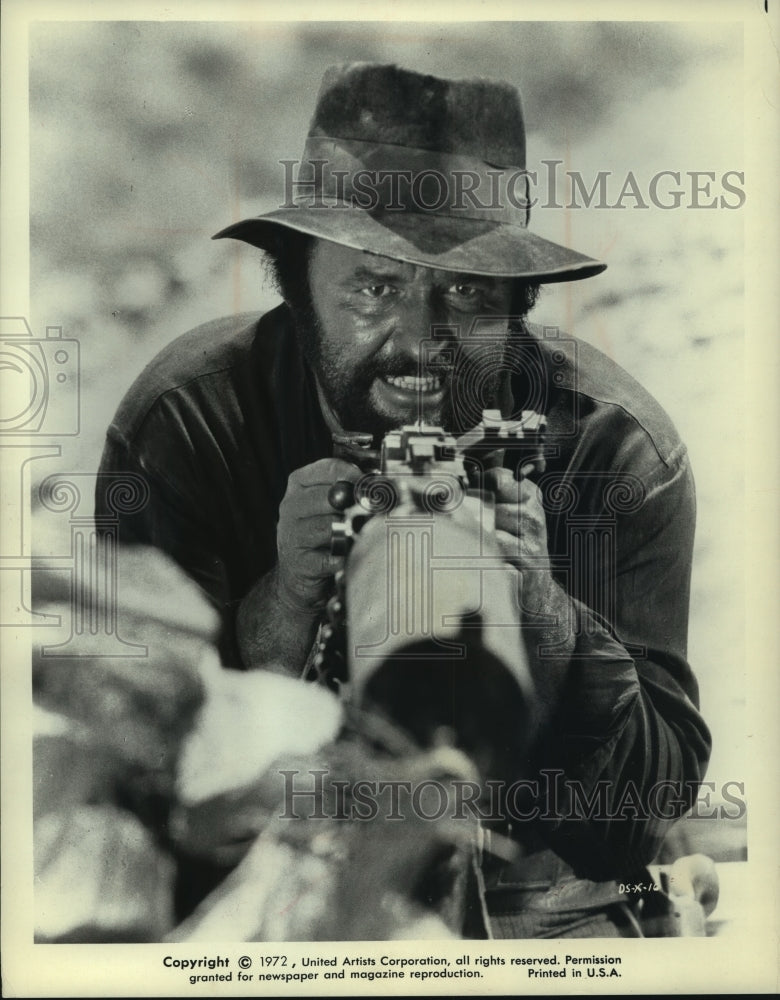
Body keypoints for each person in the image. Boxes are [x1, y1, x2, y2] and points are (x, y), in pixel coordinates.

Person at [95, 62, 711, 937]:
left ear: (519, 305)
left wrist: (546, 617)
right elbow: (124, 773)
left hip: (533, 890)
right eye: (374, 287)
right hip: (255, 864)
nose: (420, 345)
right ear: (294, 279)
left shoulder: (615, 451)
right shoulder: (192, 420)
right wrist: (275, 616)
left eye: (465, 292)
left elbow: (646, 814)